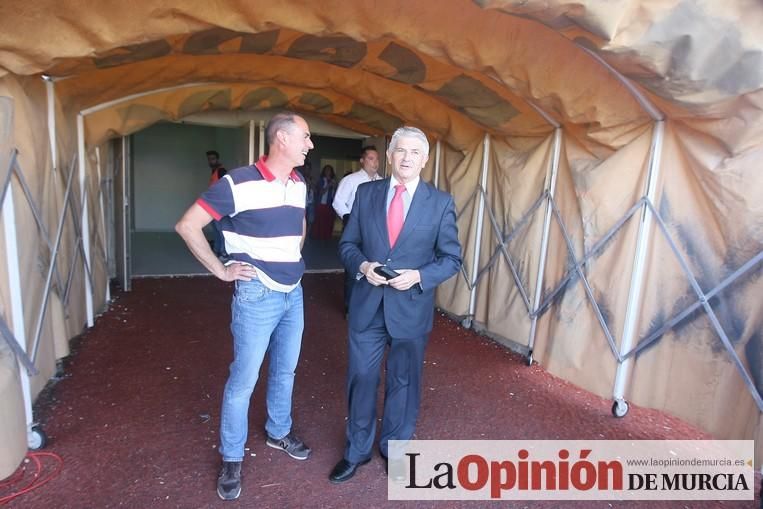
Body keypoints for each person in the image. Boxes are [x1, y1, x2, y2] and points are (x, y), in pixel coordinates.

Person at [176, 112, 314, 501]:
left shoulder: (299, 183)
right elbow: (188, 225)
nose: (310, 144)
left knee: (285, 370)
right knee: (243, 381)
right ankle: (232, 456)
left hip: (294, 292)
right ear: (282, 139)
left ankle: (278, 432)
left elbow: (298, 228)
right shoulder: (236, 182)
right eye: (305, 137)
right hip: (257, 297)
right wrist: (221, 270)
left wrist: (288, 258)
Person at [329, 126, 461, 483]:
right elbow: (348, 245)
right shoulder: (366, 193)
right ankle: (356, 451)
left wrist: (419, 276)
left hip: (411, 307)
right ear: (389, 156)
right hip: (367, 305)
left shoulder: (440, 202)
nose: (406, 158)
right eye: (400, 151)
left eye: (415, 153)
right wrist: (363, 265)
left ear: (425, 159)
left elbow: (451, 259)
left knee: (404, 381)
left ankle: (394, 449)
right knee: (362, 377)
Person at [332, 146, 380, 316]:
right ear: (362, 160)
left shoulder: (382, 182)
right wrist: (350, 220)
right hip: (356, 228)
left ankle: (370, 307)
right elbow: (338, 202)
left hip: (376, 232)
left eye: (377, 159)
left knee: (374, 266)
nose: (375, 163)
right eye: (371, 158)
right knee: (355, 266)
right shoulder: (351, 180)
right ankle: (349, 307)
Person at [206, 150, 228, 257]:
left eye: (213, 159)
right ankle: (217, 251)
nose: (211, 161)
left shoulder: (221, 171)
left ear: (217, 159)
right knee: (216, 230)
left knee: (221, 230)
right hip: (213, 206)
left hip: (219, 207)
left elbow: (225, 188)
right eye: (209, 159)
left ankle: (223, 252)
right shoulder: (215, 171)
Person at [312, 164, 337, 240]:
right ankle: (318, 237)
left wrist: (334, 186)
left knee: (329, 221)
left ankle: (327, 237)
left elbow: (336, 194)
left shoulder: (334, 181)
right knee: (320, 221)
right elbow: (320, 192)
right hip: (321, 204)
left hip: (330, 204)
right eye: (326, 170)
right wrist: (328, 185)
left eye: (329, 170)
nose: (328, 172)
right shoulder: (321, 180)